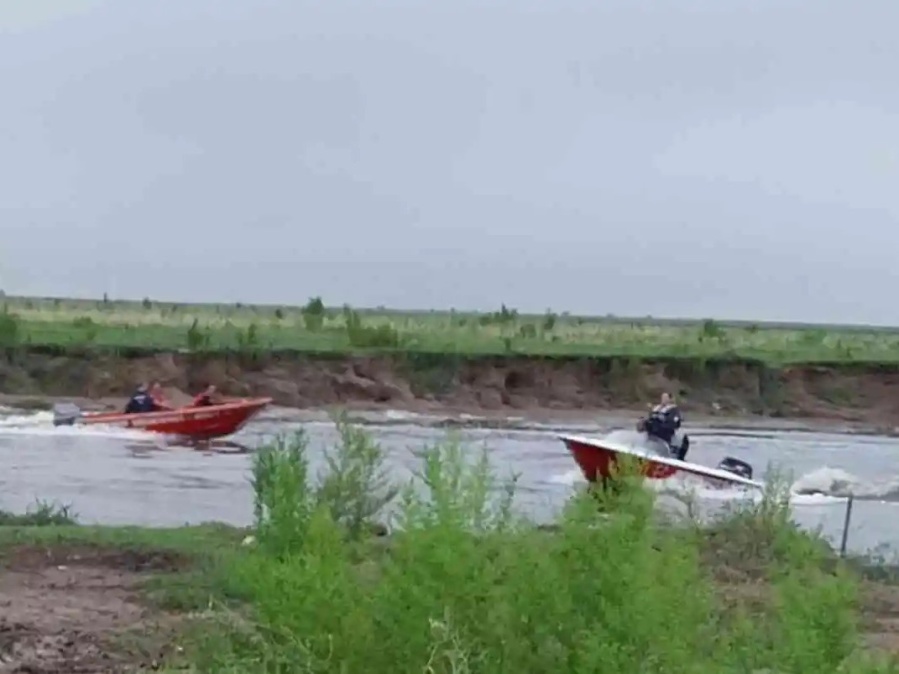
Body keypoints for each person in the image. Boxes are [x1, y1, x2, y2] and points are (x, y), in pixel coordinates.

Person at [637, 392, 688, 459]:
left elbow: (673, 425)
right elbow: (651, 419)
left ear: (670, 399)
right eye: (662, 398)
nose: (663, 399)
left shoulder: (673, 410)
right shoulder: (656, 409)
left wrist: (656, 426)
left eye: (665, 398)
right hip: (651, 436)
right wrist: (644, 423)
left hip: (664, 438)